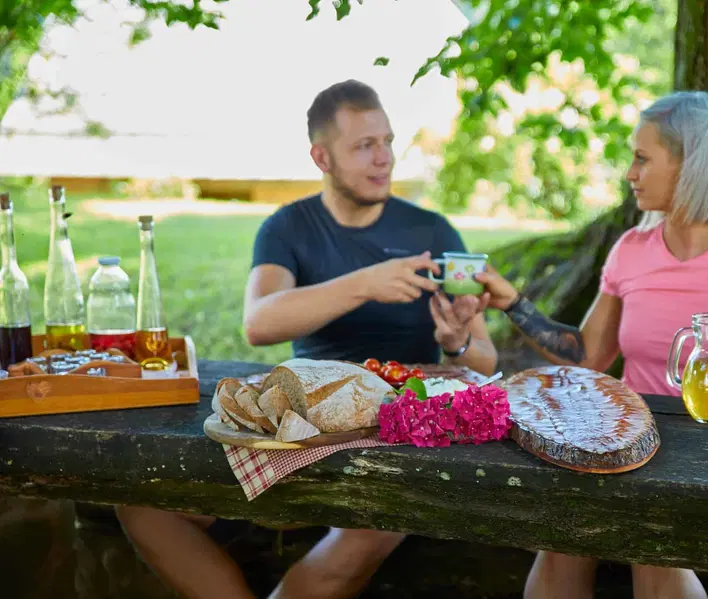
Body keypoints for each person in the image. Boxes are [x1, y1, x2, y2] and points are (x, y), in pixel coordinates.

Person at [116, 79, 498, 599]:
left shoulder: (431, 231)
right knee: (139, 507)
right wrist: (365, 283)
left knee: (369, 525)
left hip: (398, 430)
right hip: (304, 422)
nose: (383, 158)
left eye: (387, 141)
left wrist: (455, 342)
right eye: (364, 146)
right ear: (322, 156)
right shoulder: (286, 227)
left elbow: (483, 357)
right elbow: (260, 322)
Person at [473, 90, 708, 599]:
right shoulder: (631, 250)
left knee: (654, 555)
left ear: (691, 163)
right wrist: (512, 302)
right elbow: (589, 354)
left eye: (642, 158)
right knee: (559, 541)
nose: (629, 173)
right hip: (623, 440)